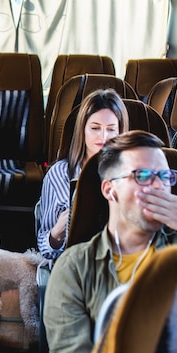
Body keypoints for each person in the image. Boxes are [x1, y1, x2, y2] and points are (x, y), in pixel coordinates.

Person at [43, 130, 177, 353]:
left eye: (165, 177)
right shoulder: (75, 269)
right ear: (110, 189)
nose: (158, 187)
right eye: (143, 175)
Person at [37, 89, 129, 261]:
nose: (103, 136)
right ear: (83, 130)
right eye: (95, 128)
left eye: (111, 129)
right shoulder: (59, 174)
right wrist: (57, 233)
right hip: (76, 265)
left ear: (120, 133)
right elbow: (44, 248)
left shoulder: (131, 173)